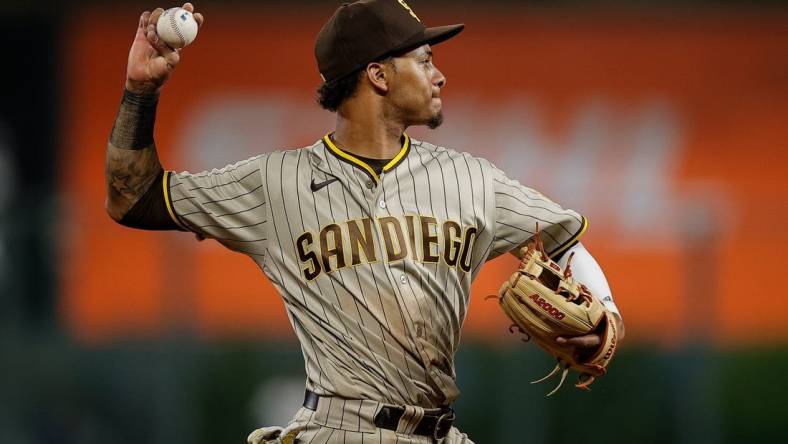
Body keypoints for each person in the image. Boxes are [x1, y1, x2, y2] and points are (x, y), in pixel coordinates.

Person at [105, 1, 625, 443]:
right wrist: (139, 91)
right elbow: (135, 198)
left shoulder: (473, 181)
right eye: (423, 60)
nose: (439, 74)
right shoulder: (275, 183)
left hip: (441, 432)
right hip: (339, 429)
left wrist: (604, 312)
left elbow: (563, 239)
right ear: (378, 75)